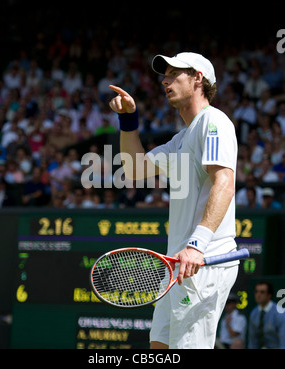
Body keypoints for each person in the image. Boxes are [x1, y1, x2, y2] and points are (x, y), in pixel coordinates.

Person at [109, 52, 239, 349]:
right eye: (164, 75)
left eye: (174, 73)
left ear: (198, 78)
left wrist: (197, 244)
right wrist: (128, 119)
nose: (165, 80)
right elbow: (134, 168)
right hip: (177, 266)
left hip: (202, 261)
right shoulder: (181, 139)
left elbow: (225, 183)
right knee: (161, 347)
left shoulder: (214, 121)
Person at [248, 281, 285, 349]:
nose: (258, 295)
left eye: (262, 292)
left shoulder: (280, 313)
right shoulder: (254, 313)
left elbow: (283, 341)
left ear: (269, 295)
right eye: (256, 291)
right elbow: (253, 341)